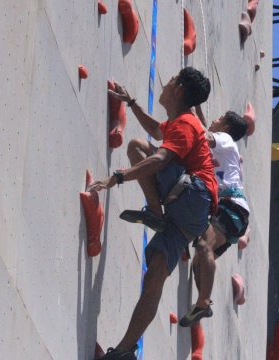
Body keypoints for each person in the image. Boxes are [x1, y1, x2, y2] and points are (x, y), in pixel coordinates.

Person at [88, 67, 217, 360]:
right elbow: (156, 131)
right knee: (156, 274)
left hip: (193, 196)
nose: (166, 82)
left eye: (172, 80)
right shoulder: (178, 124)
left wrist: (117, 178)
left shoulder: (186, 123)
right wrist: (131, 102)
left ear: (179, 89)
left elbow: (160, 158)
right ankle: (123, 351)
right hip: (190, 217)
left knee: (137, 149)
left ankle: (156, 211)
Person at [178, 106, 251, 327]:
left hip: (232, 207)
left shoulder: (226, 140)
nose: (213, 119)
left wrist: (189, 110)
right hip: (229, 210)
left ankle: (203, 302)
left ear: (226, 127)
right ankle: (204, 306)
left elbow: (204, 133)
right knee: (199, 264)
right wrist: (198, 108)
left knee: (203, 246)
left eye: (218, 118)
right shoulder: (221, 146)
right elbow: (205, 129)